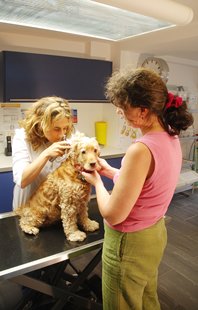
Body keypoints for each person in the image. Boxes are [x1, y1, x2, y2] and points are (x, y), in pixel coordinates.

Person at [82, 68, 194, 310]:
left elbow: (113, 214)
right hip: (153, 235)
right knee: (145, 297)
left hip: (128, 242)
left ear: (143, 111)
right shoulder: (170, 138)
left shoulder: (140, 149)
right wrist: (110, 172)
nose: (119, 112)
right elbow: (148, 184)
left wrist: (97, 183)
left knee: (122, 304)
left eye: (123, 108)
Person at [12, 96, 73, 210]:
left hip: (53, 208)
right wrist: (46, 154)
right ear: (40, 124)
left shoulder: (66, 138)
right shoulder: (22, 138)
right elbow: (22, 180)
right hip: (27, 207)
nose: (62, 134)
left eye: (65, 128)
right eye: (56, 129)